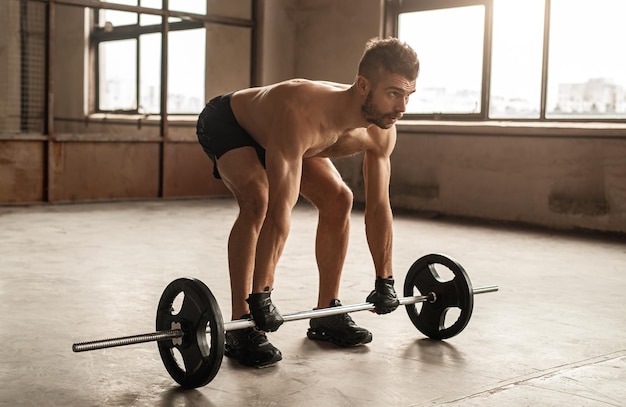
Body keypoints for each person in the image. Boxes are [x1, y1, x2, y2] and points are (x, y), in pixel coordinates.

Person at [196, 37, 419, 368]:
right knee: (259, 198)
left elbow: (378, 207)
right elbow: (280, 210)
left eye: (408, 96)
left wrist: (384, 280)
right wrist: (262, 293)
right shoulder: (303, 110)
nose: (402, 107)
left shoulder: (381, 129)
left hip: (291, 139)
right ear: (363, 85)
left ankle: (327, 314)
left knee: (340, 198)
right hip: (230, 122)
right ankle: (241, 325)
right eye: (393, 94)